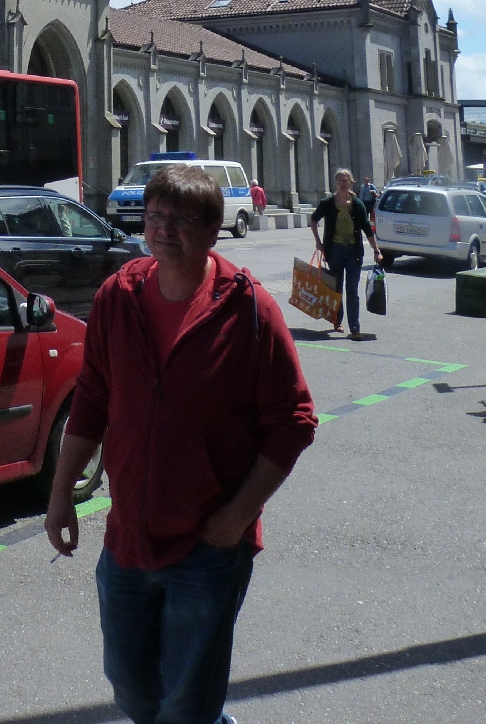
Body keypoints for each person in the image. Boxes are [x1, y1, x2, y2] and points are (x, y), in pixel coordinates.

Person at [45, 162, 316, 724]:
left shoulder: (249, 309)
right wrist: (61, 494)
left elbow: (293, 420)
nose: (165, 229)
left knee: (187, 706)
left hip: (208, 546)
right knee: (132, 689)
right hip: (128, 537)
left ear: (214, 231)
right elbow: (92, 400)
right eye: (156, 216)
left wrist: (236, 518)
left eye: (183, 219)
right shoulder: (117, 298)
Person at [310, 169, 382, 342]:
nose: (343, 183)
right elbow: (314, 220)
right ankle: (337, 320)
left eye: (346, 180)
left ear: (351, 182)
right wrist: (318, 243)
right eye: (340, 180)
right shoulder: (328, 202)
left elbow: (367, 229)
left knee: (352, 289)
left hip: (353, 252)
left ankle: (355, 327)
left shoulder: (357, 204)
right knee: (337, 289)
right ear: (336, 182)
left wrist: (376, 250)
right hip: (334, 250)